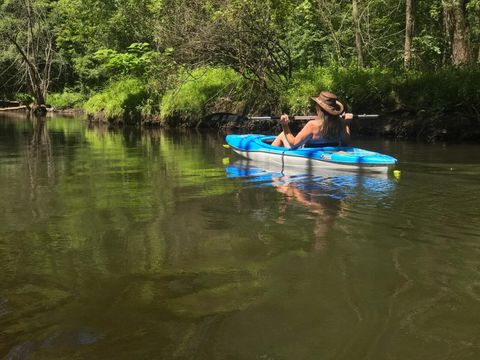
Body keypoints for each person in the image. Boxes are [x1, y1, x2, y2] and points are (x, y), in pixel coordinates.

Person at [271, 91, 353, 148]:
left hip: (307, 156)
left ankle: (269, 157)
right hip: (328, 153)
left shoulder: (312, 125)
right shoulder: (341, 123)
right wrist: (347, 124)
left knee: (282, 134)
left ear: (319, 108)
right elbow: (345, 143)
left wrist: (285, 125)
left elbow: (293, 144)